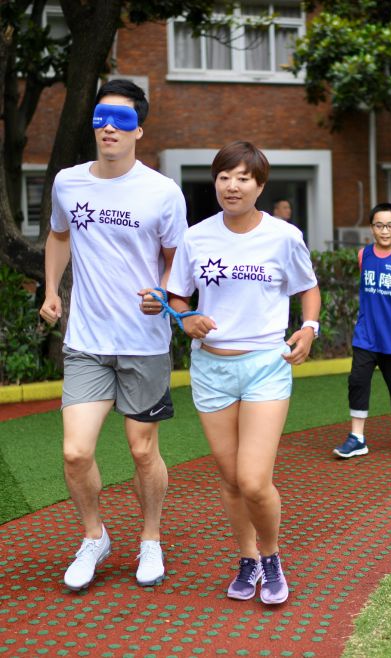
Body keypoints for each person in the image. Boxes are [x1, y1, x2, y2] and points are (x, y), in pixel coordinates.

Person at [39, 78, 187, 591]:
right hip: (86, 341)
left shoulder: (162, 192)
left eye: (121, 120)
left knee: (143, 452)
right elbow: (59, 235)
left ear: (138, 130)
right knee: (75, 452)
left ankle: (150, 538)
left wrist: (164, 294)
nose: (108, 127)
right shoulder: (68, 183)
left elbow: (177, 260)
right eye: (101, 118)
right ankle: (94, 536)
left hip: (144, 343)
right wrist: (51, 289)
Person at [166, 141, 321, 605]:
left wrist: (309, 328)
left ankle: (271, 557)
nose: (231, 186)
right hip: (211, 367)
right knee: (232, 480)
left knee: (254, 480)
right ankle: (247, 557)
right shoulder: (197, 237)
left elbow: (308, 289)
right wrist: (185, 318)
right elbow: (178, 296)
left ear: (260, 185)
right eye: (223, 177)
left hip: (265, 367)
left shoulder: (283, 236)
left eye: (242, 178)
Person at [333, 202, 391, 459]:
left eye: (390, 226)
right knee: (357, 382)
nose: (385, 231)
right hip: (366, 334)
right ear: (372, 228)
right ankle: (357, 437)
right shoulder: (364, 255)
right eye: (379, 225)